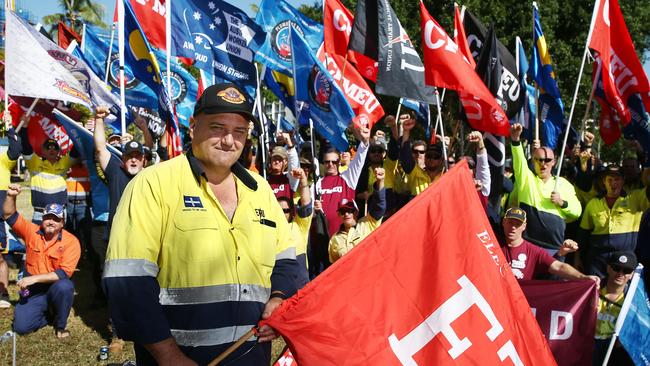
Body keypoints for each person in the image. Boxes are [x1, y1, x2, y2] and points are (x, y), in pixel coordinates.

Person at [103, 83, 301, 365]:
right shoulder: (152, 184)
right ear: (193, 126)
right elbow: (127, 281)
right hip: (178, 358)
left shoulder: (261, 190)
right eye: (218, 128)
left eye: (240, 132)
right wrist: (169, 356)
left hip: (252, 354)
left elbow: (285, 260)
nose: (229, 140)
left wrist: (279, 297)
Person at [3, 184, 80, 338]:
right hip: (33, 290)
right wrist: (11, 195)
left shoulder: (71, 242)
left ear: (62, 222)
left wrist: (33, 278)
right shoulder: (32, 231)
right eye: (48, 218)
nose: (51, 222)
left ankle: (60, 325)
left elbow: (64, 273)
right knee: (21, 328)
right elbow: (8, 215)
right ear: (42, 219)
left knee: (65, 287)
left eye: (56, 219)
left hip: (54, 285)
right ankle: (49, 315)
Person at [509, 124, 582, 255]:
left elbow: (577, 212)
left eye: (548, 160)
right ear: (533, 161)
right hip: (527, 245)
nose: (543, 164)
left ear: (554, 162)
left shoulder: (564, 184)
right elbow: (519, 161)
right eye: (539, 160)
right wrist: (515, 140)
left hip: (554, 248)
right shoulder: (526, 180)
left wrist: (562, 202)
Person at [579, 164, 650, 277]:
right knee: (595, 290)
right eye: (610, 179)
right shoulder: (593, 203)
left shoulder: (635, 199)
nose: (613, 183)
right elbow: (583, 235)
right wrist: (577, 257)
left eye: (617, 179)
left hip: (625, 258)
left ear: (623, 181)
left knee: (622, 293)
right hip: (597, 259)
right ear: (604, 181)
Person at [500, 207, 599, 284]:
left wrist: (583, 277)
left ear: (524, 227)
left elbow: (559, 267)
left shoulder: (533, 251)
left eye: (517, 224)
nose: (513, 227)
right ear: (503, 222)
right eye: (510, 222)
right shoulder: (492, 244)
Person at [315, 125, 370, 238]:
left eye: (334, 162)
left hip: (345, 237)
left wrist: (364, 142)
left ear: (339, 162)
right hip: (322, 237)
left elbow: (359, 161)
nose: (330, 164)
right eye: (327, 162)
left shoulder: (348, 178)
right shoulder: (318, 183)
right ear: (323, 163)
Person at [329, 167, 386, 263]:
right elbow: (334, 268)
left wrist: (380, 182)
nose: (347, 214)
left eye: (350, 211)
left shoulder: (368, 223)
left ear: (356, 212)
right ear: (339, 215)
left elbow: (379, 206)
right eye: (343, 212)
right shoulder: (334, 239)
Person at [592, 251, 637, 366]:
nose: (620, 274)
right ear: (608, 268)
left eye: (626, 271)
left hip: (612, 348)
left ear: (631, 274)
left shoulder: (633, 301)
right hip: (586, 342)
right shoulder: (592, 288)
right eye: (616, 268)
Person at [23, 137, 76, 224]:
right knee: (37, 238)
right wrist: (24, 127)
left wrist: (77, 132)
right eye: (48, 147)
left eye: (55, 147)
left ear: (58, 151)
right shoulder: (35, 164)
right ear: (43, 151)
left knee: (59, 238)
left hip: (59, 214)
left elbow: (75, 152)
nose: (52, 150)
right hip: (40, 214)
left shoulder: (64, 163)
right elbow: (26, 149)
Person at [277, 167, 312, 288]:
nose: (282, 213)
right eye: (278, 210)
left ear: (292, 213)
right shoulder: (269, 230)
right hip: (280, 287)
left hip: (301, 286)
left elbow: (306, 203)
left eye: (285, 210)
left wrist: (303, 181)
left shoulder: (299, 225)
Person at [0, 124, 21, 308]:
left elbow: (16, 150)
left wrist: (10, 128)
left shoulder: (3, 158)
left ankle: (3, 293)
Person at [399, 114, 445, 197]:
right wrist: (406, 131)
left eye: (436, 157)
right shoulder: (416, 173)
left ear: (441, 160)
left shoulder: (445, 178)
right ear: (425, 158)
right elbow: (405, 155)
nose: (432, 159)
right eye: (429, 155)